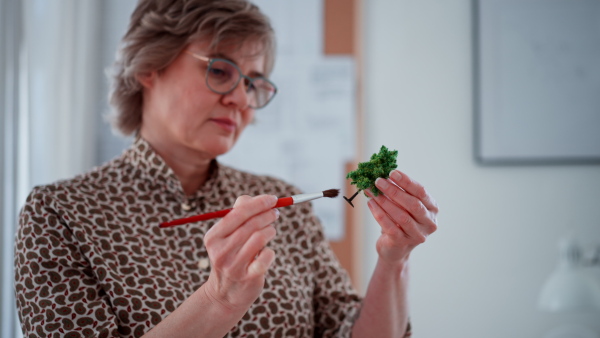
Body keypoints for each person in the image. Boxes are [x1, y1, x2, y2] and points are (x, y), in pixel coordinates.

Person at [14, 0, 438, 337]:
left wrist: (394, 259)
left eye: (253, 82)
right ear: (148, 67)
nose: (240, 98)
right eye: (219, 70)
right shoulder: (59, 213)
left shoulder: (281, 200)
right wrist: (219, 301)